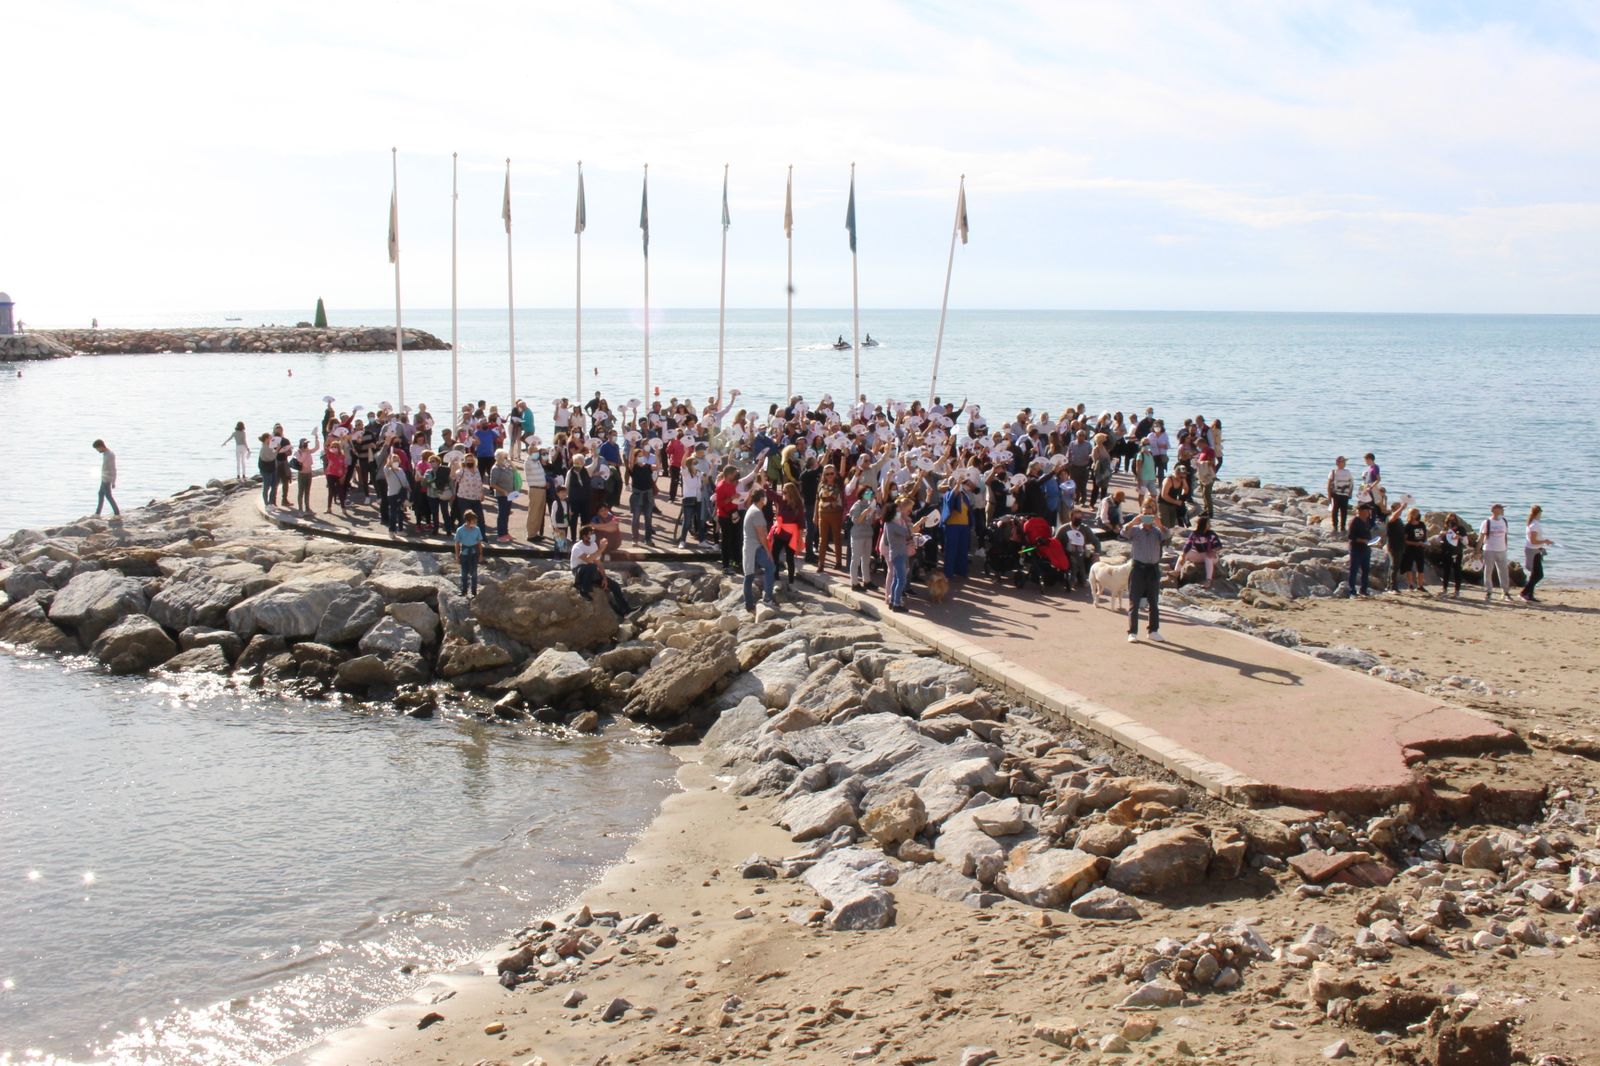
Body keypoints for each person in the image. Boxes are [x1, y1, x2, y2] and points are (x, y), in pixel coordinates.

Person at [1121, 502, 1169, 641]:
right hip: (1138, 568)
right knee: (1134, 602)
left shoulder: (1158, 531)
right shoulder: (1135, 529)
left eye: (1150, 514)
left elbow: (1167, 535)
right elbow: (1123, 532)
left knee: (1154, 602)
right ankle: (1132, 632)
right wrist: (1133, 521)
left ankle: (1153, 631)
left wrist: (1159, 524)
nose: (1147, 516)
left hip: (1153, 568)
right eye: (1144, 513)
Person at [572, 526, 633, 616]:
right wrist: (601, 549)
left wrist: (604, 578)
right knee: (591, 566)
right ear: (584, 537)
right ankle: (583, 590)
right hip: (579, 571)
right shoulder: (577, 547)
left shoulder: (593, 545)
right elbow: (588, 560)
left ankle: (626, 610)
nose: (593, 535)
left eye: (593, 533)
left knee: (614, 585)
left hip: (591, 572)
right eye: (591, 534)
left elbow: (599, 563)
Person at [742, 488, 777, 612]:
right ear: (762, 499)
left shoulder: (753, 510)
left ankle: (749, 604)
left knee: (749, 575)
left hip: (752, 547)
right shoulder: (757, 512)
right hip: (755, 548)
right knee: (770, 567)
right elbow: (762, 535)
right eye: (765, 497)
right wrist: (768, 552)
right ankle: (767, 598)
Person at [882, 497, 914, 613]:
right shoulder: (893, 525)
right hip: (899, 553)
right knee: (901, 579)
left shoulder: (888, 524)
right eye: (897, 511)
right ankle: (896, 603)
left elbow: (886, 541)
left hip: (897, 552)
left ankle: (892, 601)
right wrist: (904, 522)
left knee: (896, 578)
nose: (899, 513)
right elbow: (906, 533)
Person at [1172, 515, 1221, 587]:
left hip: (1211, 556)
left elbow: (1218, 545)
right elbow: (1188, 545)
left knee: (1208, 557)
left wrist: (1213, 551)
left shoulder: (1212, 534)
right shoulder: (1194, 534)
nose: (1210, 524)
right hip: (1199, 555)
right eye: (1208, 523)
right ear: (1203, 524)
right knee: (1184, 554)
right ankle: (1177, 572)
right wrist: (1184, 555)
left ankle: (1208, 580)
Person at [1480, 503, 1513, 602]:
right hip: (1489, 550)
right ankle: (1489, 592)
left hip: (1502, 550)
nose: (1503, 511)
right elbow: (1481, 537)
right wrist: (1477, 550)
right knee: (1488, 571)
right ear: (1495, 510)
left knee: (1504, 572)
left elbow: (1505, 535)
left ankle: (1505, 592)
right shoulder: (1487, 522)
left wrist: (1506, 547)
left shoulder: (1504, 521)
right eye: (1501, 509)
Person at [940, 477, 973, 578]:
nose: (959, 485)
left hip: (964, 526)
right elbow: (951, 499)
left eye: (959, 483)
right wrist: (957, 484)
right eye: (955, 483)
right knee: (951, 549)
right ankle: (949, 573)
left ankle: (961, 571)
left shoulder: (964, 495)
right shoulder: (948, 494)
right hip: (953, 525)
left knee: (963, 549)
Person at [848, 489, 878, 591]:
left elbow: (871, 521)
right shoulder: (857, 505)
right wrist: (864, 513)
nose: (870, 495)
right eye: (868, 493)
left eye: (871, 493)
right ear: (862, 494)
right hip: (858, 535)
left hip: (868, 534)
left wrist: (874, 514)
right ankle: (854, 583)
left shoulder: (871, 504)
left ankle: (867, 581)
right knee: (855, 559)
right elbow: (856, 521)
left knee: (866, 560)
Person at [1346, 501, 1376, 597]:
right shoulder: (1355, 521)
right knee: (1354, 570)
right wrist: (1362, 540)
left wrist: (1372, 541)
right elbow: (1351, 536)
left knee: (1366, 570)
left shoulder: (1366, 521)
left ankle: (1363, 590)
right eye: (1368, 510)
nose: (1369, 512)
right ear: (1362, 511)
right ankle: (1352, 591)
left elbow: (1368, 534)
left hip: (1366, 549)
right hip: (1356, 550)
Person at [1522, 505, 1551, 602]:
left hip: (1535, 550)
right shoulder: (1534, 525)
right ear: (1538, 513)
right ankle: (1524, 592)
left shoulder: (1533, 523)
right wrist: (1545, 541)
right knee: (1538, 575)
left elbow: (1534, 540)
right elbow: (1533, 541)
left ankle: (1529, 595)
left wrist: (1543, 543)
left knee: (1535, 574)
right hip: (1533, 551)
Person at [453, 510, 484, 596]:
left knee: (474, 572)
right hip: (464, 553)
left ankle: (474, 591)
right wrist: (457, 555)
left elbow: (479, 543)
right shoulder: (460, 530)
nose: (475, 523)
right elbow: (457, 543)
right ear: (467, 521)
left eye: (475, 521)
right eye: (473, 521)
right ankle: (464, 590)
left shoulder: (477, 529)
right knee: (464, 573)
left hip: (474, 553)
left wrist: (481, 554)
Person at [1437, 513, 1467, 598]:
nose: (1451, 522)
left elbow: (1466, 542)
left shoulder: (1461, 529)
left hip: (1457, 552)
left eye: (1453, 520)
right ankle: (1444, 589)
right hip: (1446, 551)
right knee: (1446, 570)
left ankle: (1457, 591)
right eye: (1449, 520)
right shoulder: (1445, 528)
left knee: (1457, 570)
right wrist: (1441, 535)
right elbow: (1439, 540)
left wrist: (1459, 537)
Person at [489, 450, 516, 543]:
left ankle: (505, 532)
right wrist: (503, 491)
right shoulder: (495, 468)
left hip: (510, 494)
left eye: (506, 457)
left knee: (506, 514)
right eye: (504, 457)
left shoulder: (506, 466)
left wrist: (510, 462)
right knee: (502, 514)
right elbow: (492, 484)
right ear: (498, 458)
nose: (505, 458)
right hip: (502, 495)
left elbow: (515, 470)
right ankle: (500, 534)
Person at [1402, 508, 1429, 593]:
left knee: (1420, 567)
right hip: (1410, 549)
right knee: (1409, 567)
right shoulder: (1408, 526)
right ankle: (1410, 585)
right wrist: (1414, 543)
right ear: (1412, 515)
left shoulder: (1421, 524)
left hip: (1420, 549)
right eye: (1417, 513)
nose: (1419, 515)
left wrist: (1424, 543)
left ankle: (1420, 585)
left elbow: (1424, 536)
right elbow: (1404, 540)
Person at [1326, 456, 1354, 533]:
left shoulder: (1347, 472)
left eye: (1344, 462)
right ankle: (1335, 525)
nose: (1344, 464)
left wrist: (1350, 492)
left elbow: (1351, 483)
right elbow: (1328, 485)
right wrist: (1329, 496)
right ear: (1338, 463)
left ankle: (1342, 526)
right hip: (1335, 494)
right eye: (1343, 462)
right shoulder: (1333, 472)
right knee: (1335, 510)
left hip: (1345, 494)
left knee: (1344, 511)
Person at [1384, 502, 1407, 595]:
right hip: (1393, 545)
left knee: (1394, 566)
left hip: (1400, 544)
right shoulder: (1390, 517)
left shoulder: (1399, 520)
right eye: (1398, 508)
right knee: (1394, 566)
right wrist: (1401, 507)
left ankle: (1389, 586)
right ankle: (1392, 587)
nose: (1400, 510)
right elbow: (1393, 517)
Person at [93, 439, 120, 517]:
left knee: (108, 496)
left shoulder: (109, 455)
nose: (97, 451)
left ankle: (117, 514)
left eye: (97, 449)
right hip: (104, 478)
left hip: (107, 479)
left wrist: (114, 481)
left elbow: (114, 468)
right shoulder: (105, 454)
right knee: (100, 494)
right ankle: (97, 513)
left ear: (101, 446)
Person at [256, 432, 278, 506]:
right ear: (266, 439)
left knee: (274, 485)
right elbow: (272, 457)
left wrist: (276, 448)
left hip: (272, 468)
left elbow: (273, 454)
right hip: (266, 470)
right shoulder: (264, 448)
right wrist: (277, 449)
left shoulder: (270, 446)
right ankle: (266, 503)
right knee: (266, 486)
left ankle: (271, 502)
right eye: (270, 438)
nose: (271, 439)